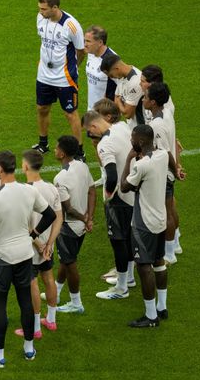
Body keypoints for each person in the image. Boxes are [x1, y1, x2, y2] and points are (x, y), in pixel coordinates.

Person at [0, 151, 56, 367]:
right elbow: (50, 215)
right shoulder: (28, 191)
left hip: (1, 258)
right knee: (25, 302)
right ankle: (29, 348)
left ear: (0, 169)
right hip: (24, 256)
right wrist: (34, 234)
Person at [120, 125, 180, 327]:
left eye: (133, 138)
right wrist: (176, 170)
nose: (131, 141)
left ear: (141, 141)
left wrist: (129, 159)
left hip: (143, 222)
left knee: (144, 266)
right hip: (160, 218)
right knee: (159, 262)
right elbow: (170, 155)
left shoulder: (141, 165)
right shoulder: (162, 155)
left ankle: (151, 316)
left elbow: (124, 187)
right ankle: (162, 307)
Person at [82, 110, 135, 301]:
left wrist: (108, 196)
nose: (91, 136)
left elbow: (111, 175)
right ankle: (128, 278)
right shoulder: (122, 127)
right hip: (133, 193)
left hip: (119, 199)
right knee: (128, 238)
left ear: (94, 126)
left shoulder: (105, 144)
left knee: (118, 241)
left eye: (90, 131)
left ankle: (121, 288)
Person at [17, 150, 63, 338]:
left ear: (25, 166)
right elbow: (58, 218)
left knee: (32, 282)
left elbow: (25, 223)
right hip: (47, 245)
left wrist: (38, 244)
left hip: (31, 246)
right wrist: (50, 244)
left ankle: (35, 328)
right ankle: (51, 320)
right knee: (48, 277)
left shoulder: (23, 191)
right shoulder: (51, 188)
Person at [33, 0, 84, 154]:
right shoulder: (41, 18)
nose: (40, 12)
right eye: (40, 8)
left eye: (44, 9)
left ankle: (79, 151)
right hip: (44, 75)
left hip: (64, 77)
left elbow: (81, 50)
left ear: (55, 7)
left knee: (70, 114)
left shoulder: (71, 26)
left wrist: (74, 66)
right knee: (42, 108)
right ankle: (43, 143)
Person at [53, 136, 95, 313]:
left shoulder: (60, 178)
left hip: (68, 226)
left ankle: (76, 303)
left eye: (56, 148)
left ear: (62, 153)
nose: (54, 150)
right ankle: (55, 291)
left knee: (70, 263)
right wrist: (89, 217)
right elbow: (92, 191)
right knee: (66, 259)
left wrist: (84, 219)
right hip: (82, 226)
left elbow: (68, 208)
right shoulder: (83, 165)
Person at [143, 82, 181, 266]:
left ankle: (169, 254)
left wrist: (175, 171)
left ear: (154, 102)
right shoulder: (166, 113)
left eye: (146, 97)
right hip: (168, 173)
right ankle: (173, 247)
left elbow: (165, 152)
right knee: (169, 210)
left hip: (164, 174)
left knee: (165, 213)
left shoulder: (156, 125)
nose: (143, 99)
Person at [100, 54, 143, 128]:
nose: (111, 77)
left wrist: (120, 102)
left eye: (111, 75)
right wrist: (121, 104)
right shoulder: (122, 76)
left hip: (142, 126)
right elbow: (116, 97)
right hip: (133, 125)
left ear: (116, 69)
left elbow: (128, 114)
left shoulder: (135, 82)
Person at [83, 25, 116, 110]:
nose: (85, 45)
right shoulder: (91, 53)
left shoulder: (111, 60)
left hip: (105, 112)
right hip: (91, 108)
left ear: (100, 43)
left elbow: (120, 87)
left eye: (88, 41)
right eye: (84, 41)